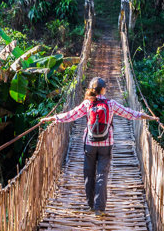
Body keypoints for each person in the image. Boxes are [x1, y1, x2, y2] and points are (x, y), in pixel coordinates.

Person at [45, 76, 156, 213]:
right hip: (106, 144)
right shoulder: (111, 104)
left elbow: (70, 115)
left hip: (89, 144)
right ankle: (99, 208)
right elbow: (129, 113)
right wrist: (148, 117)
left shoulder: (87, 103)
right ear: (103, 90)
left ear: (91, 89)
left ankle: (90, 205)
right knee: (102, 175)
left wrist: (53, 118)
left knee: (88, 174)